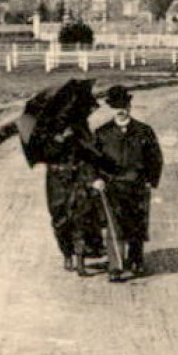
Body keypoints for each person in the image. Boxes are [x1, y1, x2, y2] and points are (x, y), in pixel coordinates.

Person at [28, 80, 110, 275]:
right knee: (60, 218)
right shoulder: (45, 129)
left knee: (81, 215)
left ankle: (80, 258)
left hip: (78, 174)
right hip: (56, 177)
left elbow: (91, 151)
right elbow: (43, 153)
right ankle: (67, 253)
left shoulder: (80, 125)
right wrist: (60, 139)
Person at [92, 85, 164, 282]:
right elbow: (92, 160)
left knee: (137, 224)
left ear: (130, 106)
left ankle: (136, 261)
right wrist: (96, 179)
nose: (120, 110)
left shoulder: (144, 131)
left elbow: (155, 158)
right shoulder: (101, 133)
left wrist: (151, 180)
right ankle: (115, 266)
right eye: (116, 106)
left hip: (138, 185)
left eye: (123, 105)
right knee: (114, 226)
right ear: (111, 108)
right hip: (112, 186)